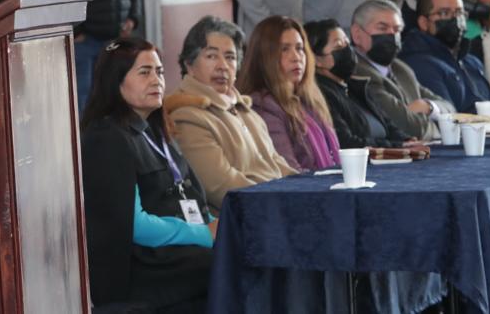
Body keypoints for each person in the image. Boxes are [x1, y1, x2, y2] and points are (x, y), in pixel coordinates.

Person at [80, 38, 214, 312]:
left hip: (174, 254)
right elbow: (136, 226)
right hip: (143, 267)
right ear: (115, 81)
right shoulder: (107, 137)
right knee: (226, 264)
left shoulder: (153, 131)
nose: (156, 80)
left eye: (160, 72)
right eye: (144, 72)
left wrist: (216, 226)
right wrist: (204, 234)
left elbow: (190, 195)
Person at [164, 16, 295, 214]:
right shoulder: (187, 116)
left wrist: (308, 189)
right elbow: (222, 187)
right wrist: (286, 203)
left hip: (275, 208)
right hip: (243, 220)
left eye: (230, 57)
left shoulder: (247, 111)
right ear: (189, 64)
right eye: (211, 56)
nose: (223, 66)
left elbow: (278, 166)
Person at [400, 0, 490, 127]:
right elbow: (447, 119)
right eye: (444, 13)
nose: (455, 19)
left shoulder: (471, 62)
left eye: (459, 12)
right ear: (424, 23)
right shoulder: (418, 64)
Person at [240, 16, 341, 171]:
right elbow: (289, 173)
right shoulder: (263, 106)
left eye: (300, 48)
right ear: (264, 57)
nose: (296, 57)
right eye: (284, 49)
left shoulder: (309, 100)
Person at [349, 0, 454, 141]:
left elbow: (451, 110)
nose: (392, 35)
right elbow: (409, 129)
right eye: (382, 28)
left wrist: (428, 106)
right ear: (357, 34)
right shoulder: (358, 73)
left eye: (397, 30)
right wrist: (436, 124)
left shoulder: (401, 68)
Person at [305, 19, 411, 149]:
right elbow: (346, 142)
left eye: (347, 44)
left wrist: (407, 141)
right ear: (316, 60)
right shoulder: (321, 95)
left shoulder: (355, 86)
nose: (347, 51)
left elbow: (388, 124)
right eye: (338, 47)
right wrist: (398, 146)